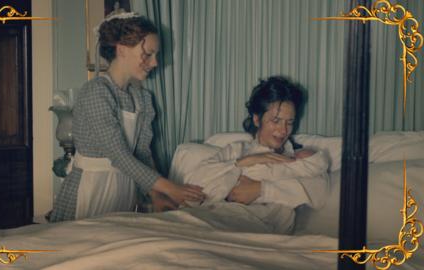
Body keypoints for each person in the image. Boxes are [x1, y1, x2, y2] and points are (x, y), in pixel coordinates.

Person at [49, 11, 205, 222]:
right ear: (121, 50)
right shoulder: (96, 92)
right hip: (91, 190)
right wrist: (172, 189)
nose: (155, 63)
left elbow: (141, 153)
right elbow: (119, 155)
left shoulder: (142, 99)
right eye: (148, 54)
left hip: (124, 189)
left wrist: (156, 195)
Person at [185, 76, 329, 209]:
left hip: (256, 226)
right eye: (276, 121)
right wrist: (243, 162)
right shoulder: (237, 150)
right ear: (256, 119)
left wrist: (262, 189)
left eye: (289, 122)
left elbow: (319, 193)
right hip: (210, 214)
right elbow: (194, 183)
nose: (283, 130)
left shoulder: (299, 160)